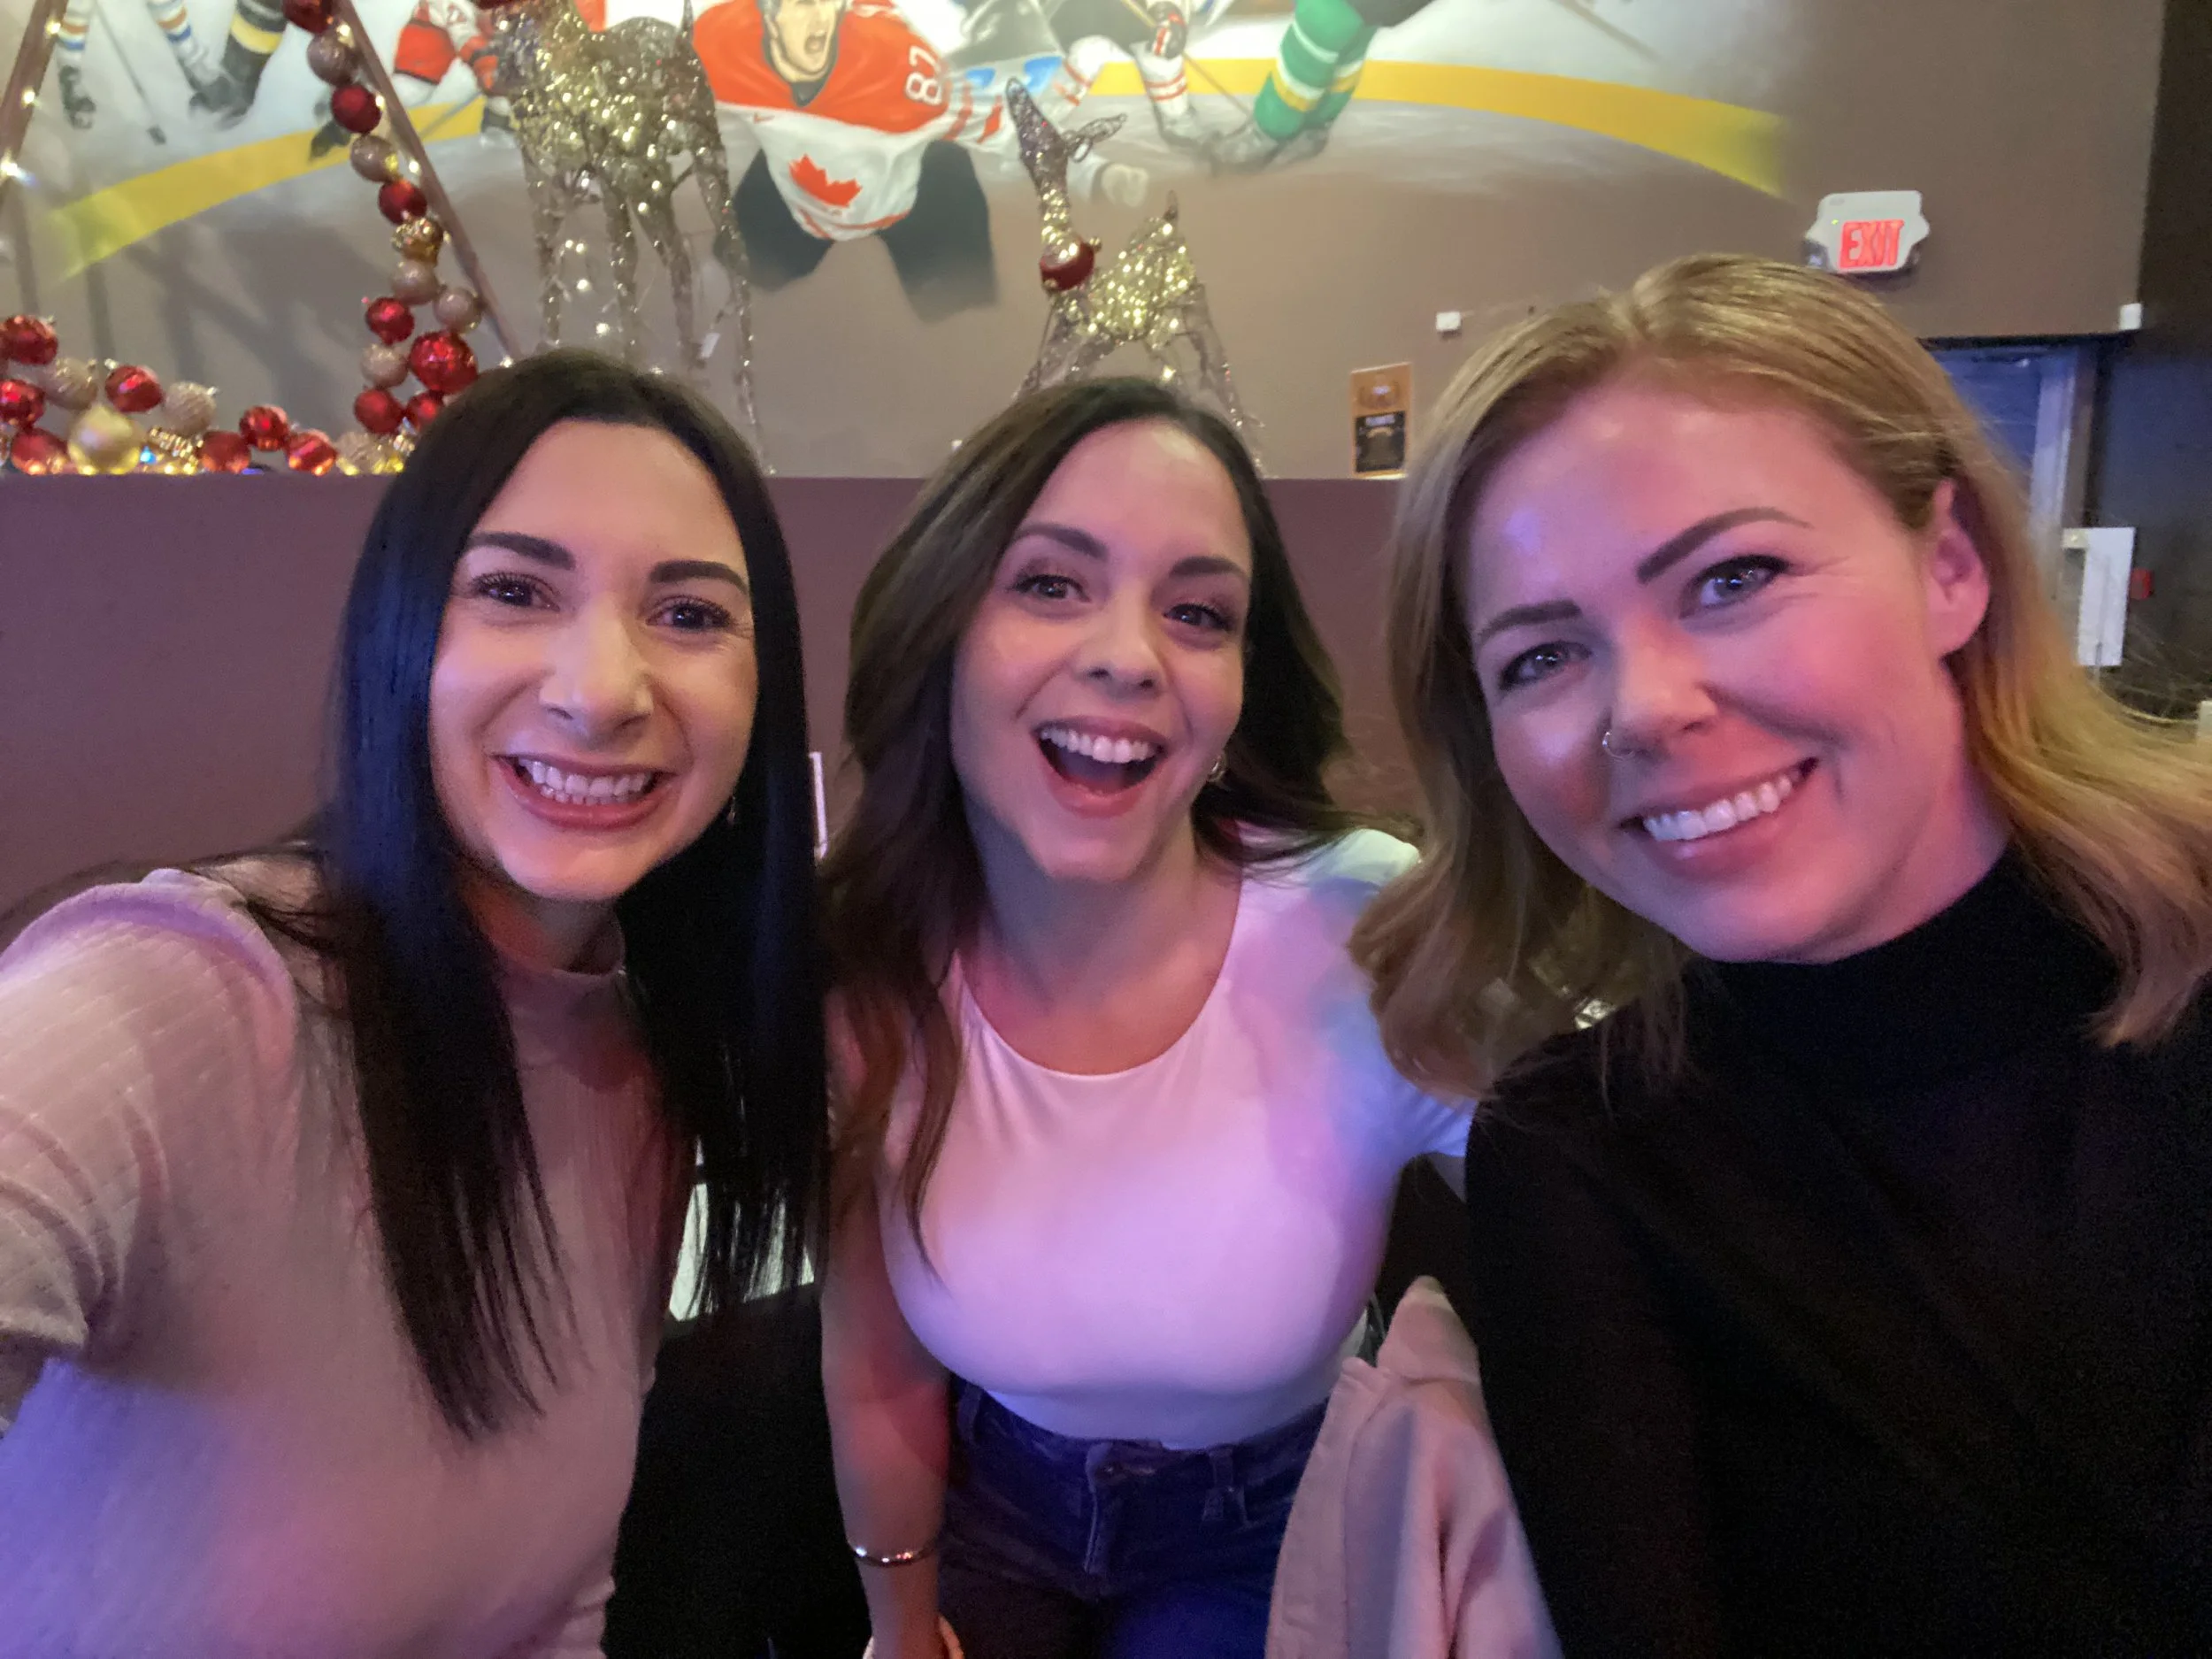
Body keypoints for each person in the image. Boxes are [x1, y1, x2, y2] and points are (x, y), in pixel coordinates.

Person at [1355, 252, 2212, 1655]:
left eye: (1733, 576)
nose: (1648, 706)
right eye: (1541, 656)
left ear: (1951, 567)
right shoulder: (1583, 1156)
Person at [0, 350, 826, 1655]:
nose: (602, 689)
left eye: (690, 614)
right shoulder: (187, 994)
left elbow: (552, 1596)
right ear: (401, 636)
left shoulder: (642, 1067)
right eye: (512, 590)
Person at [816, 377, 1482, 1659]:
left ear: (1240, 688)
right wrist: (899, 1627)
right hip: (985, 1498)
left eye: (1197, 611)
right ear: (941, 635)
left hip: (1272, 1515)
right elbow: (878, 1366)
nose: (1129, 655)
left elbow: (1603, 1223)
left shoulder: (1365, 931)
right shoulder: (864, 966)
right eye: (1052, 584)